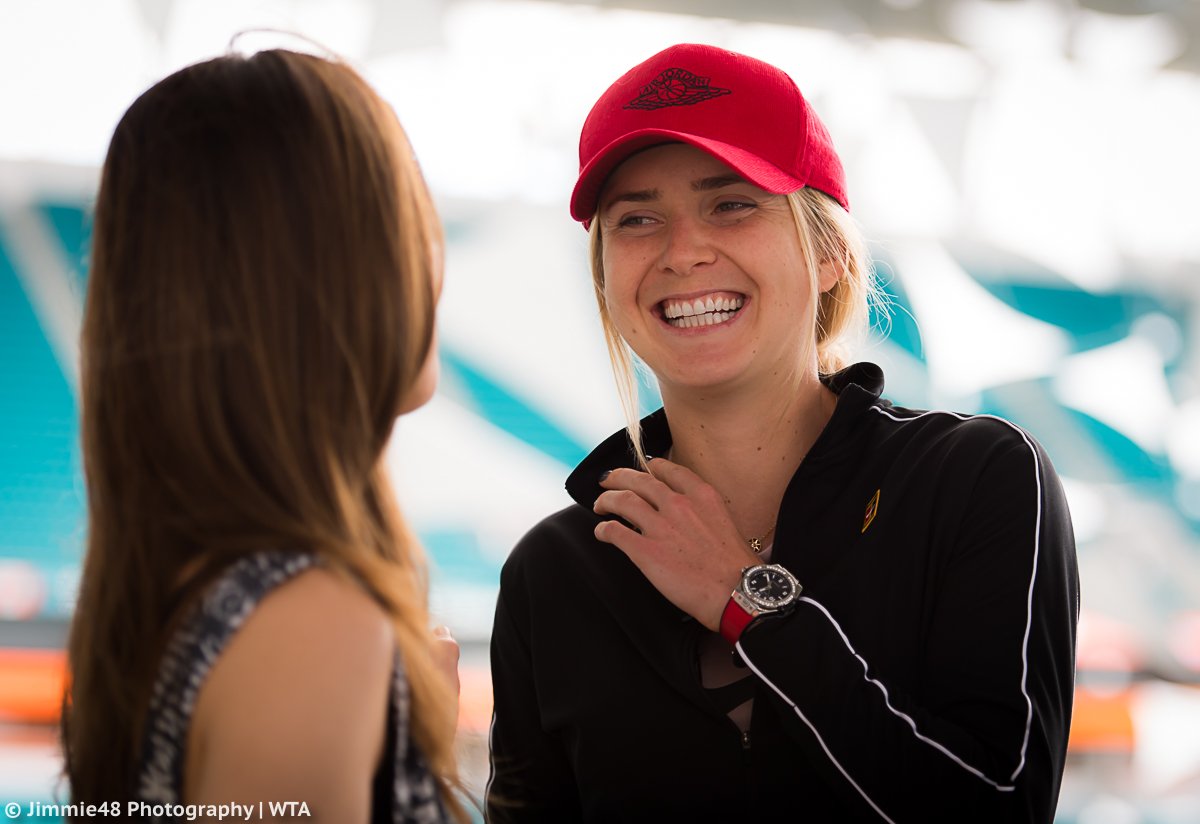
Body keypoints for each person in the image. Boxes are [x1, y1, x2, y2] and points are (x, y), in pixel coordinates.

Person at [487, 43, 1079, 823]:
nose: (683, 252)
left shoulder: (975, 479)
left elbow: (1000, 809)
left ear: (828, 252)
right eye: (637, 219)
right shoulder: (554, 569)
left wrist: (749, 602)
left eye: (731, 203)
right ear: (605, 276)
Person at [61, 48, 467, 823]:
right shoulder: (311, 625)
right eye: (408, 227)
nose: (432, 263)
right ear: (327, 280)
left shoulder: (185, 584)